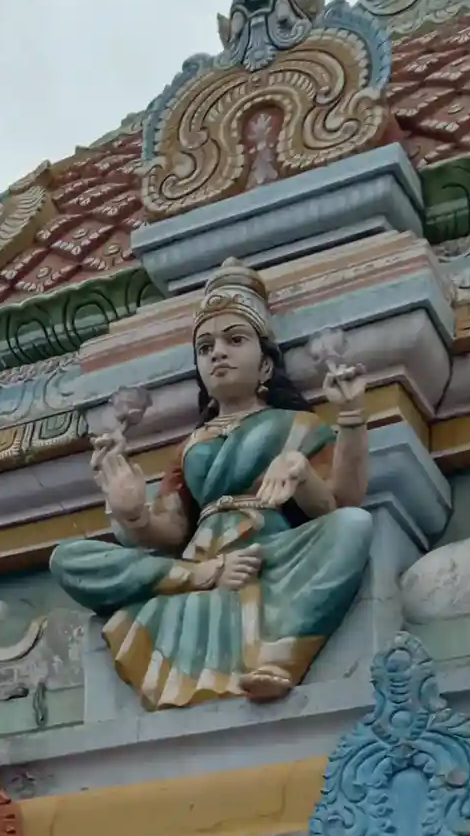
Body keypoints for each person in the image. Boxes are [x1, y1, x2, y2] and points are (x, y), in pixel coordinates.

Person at [49, 260, 375, 710]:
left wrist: (345, 423)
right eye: (205, 347)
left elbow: (341, 501)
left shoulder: (296, 424)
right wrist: (131, 512)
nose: (217, 353)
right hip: (199, 560)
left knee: (353, 526)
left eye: (234, 340)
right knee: (68, 558)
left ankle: (279, 660)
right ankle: (197, 578)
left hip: (271, 557)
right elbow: (170, 529)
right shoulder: (189, 447)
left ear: (265, 365)